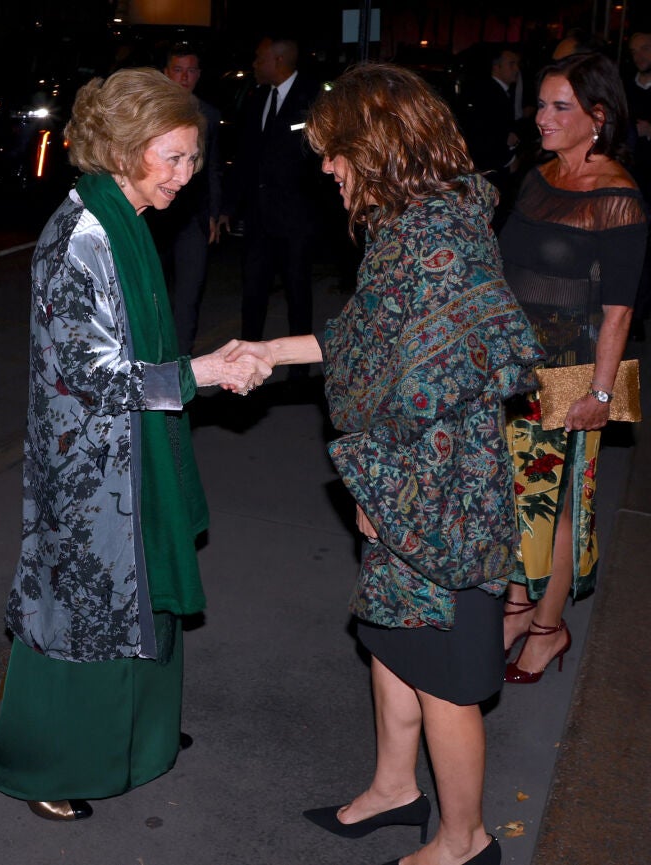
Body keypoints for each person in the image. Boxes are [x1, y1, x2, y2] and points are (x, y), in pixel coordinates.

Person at [226, 63, 544, 865]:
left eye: (336, 152)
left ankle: (465, 838)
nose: (327, 166)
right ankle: (395, 788)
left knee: (442, 671)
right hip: (408, 486)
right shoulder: (411, 226)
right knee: (394, 639)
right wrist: (269, 349)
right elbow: (367, 341)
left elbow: (442, 381)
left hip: (438, 499)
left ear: (379, 145)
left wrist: (380, 490)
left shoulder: (436, 243)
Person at [0, 68, 271, 821]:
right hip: (88, 473)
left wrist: (196, 372)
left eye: (192, 159)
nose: (187, 175)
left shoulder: (124, 217)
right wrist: (202, 372)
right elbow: (91, 377)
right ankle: (45, 765)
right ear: (122, 149)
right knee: (82, 615)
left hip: (128, 457)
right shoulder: (79, 236)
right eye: (172, 158)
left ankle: (141, 738)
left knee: (144, 599)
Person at [498, 52, 648, 683]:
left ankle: (546, 628)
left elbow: (619, 313)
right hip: (514, 368)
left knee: (556, 510)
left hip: (571, 374)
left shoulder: (618, 197)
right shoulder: (537, 176)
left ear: (598, 116)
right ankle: (515, 601)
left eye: (560, 107)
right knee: (512, 496)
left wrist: (601, 393)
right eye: (540, 104)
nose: (543, 117)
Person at [218, 35, 322, 359]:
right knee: (253, 294)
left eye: (259, 58)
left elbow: (317, 161)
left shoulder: (313, 98)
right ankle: (247, 362)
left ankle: (299, 370)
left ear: (278, 60)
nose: (254, 64)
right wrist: (228, 207)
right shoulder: (257, 97)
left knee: (297, 295)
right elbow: (246, 158)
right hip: (258, 220)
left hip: (295, 222)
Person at [145, 43, 223, 355]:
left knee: (188, 299)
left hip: (192, 219)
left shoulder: (209, 115)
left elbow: (214, 168)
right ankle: (150, 358)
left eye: (190, 70)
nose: (184, 76)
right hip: (154, 218)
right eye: (178, 69)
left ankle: (179, 368)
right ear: (167, 73)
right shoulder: (150, 115)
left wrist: (215, 213)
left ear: (198, 74)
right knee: (151, 294)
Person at [462, 43, 523, 226]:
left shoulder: (500, 92)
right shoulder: (490, 93)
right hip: (492, 169)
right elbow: (486, 135)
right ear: (497, 67)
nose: (516, 69)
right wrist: (509, 159)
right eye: (511, 64)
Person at [626, 30, 651, 340]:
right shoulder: (626, 89)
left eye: (645, 48)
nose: (640, 56)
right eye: (634, 51)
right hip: (632, 183)